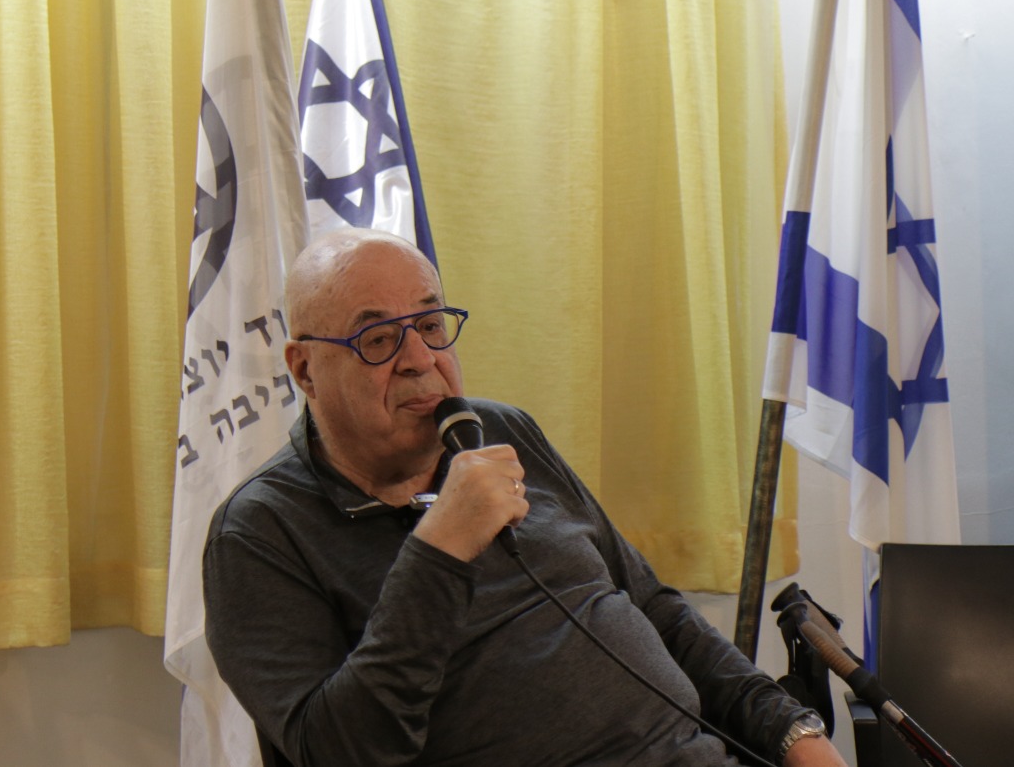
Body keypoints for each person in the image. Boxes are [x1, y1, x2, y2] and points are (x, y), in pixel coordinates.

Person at [203, 228, 847, 767]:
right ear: (304, 369)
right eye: (377, 339)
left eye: (430, 324)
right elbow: (341, 751)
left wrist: (794, 734)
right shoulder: (258, 533)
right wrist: (440, 549)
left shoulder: (496, 429)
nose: (420, 358)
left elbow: (656, 610)